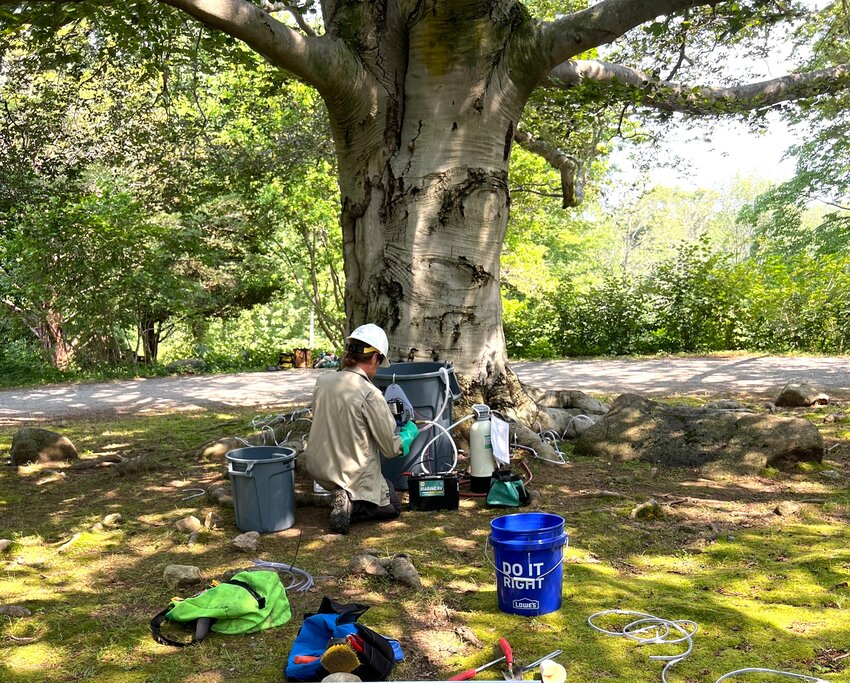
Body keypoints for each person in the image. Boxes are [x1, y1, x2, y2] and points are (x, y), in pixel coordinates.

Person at [304, 323, 419, 534]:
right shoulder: (370, 393)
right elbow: (390, 449)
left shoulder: (324, 381)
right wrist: (408, 434)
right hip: (352, 472)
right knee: (392, 502)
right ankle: (351, 504)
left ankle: (341, 495)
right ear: (374, 358)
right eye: (378, 362)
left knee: (380, 484)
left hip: (319, 469)